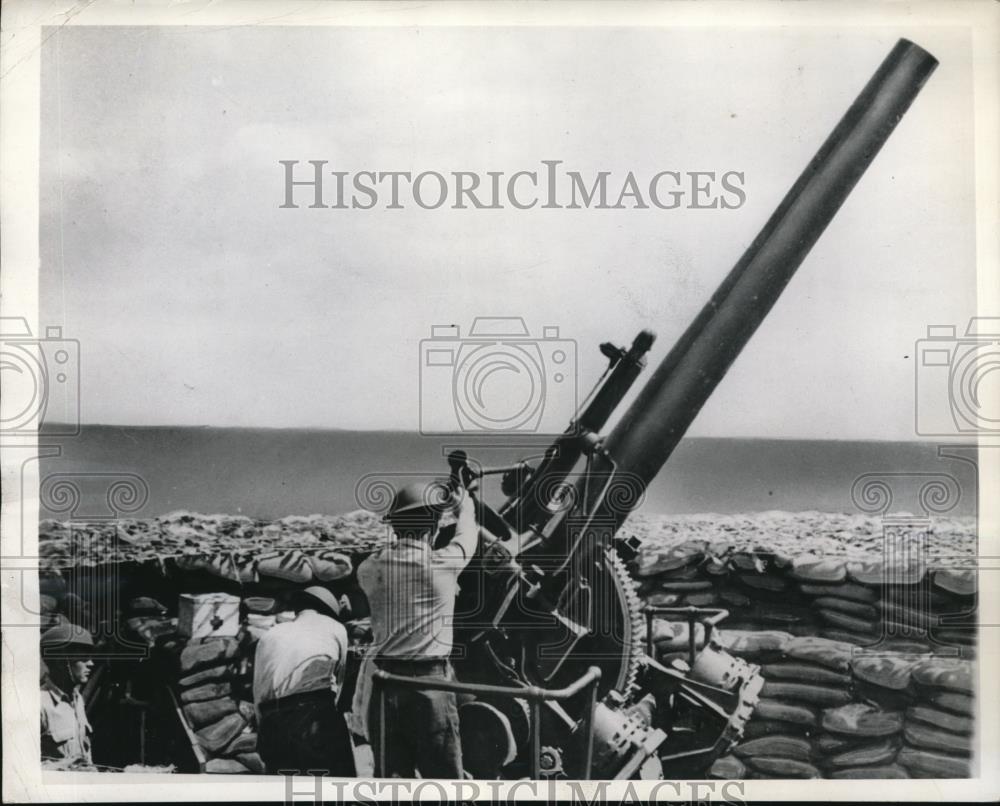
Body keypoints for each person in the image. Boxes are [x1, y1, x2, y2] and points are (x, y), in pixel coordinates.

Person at [356, 480, 477, 779]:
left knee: (393, 782)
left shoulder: (369, 569)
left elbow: (379, 561)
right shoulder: (442, 564)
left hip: (385, 686)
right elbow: (468, 533)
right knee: (444, 780)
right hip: (430, 686)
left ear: (395, 527)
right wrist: (466, 502)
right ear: (433, 526)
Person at [252, 585, 355, 776]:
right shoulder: (335, 628)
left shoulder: (270, 634)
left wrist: (264, 728)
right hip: (315, 713)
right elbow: (339, 680)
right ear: (328, 611)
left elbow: (259, 690)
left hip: (273, 717)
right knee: (334, 785)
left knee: (283, 789)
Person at [39, 622, 96, 767]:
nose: (91, 664)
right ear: (60, 660)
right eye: (83, 658)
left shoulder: (77, 700)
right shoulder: (39, 704)